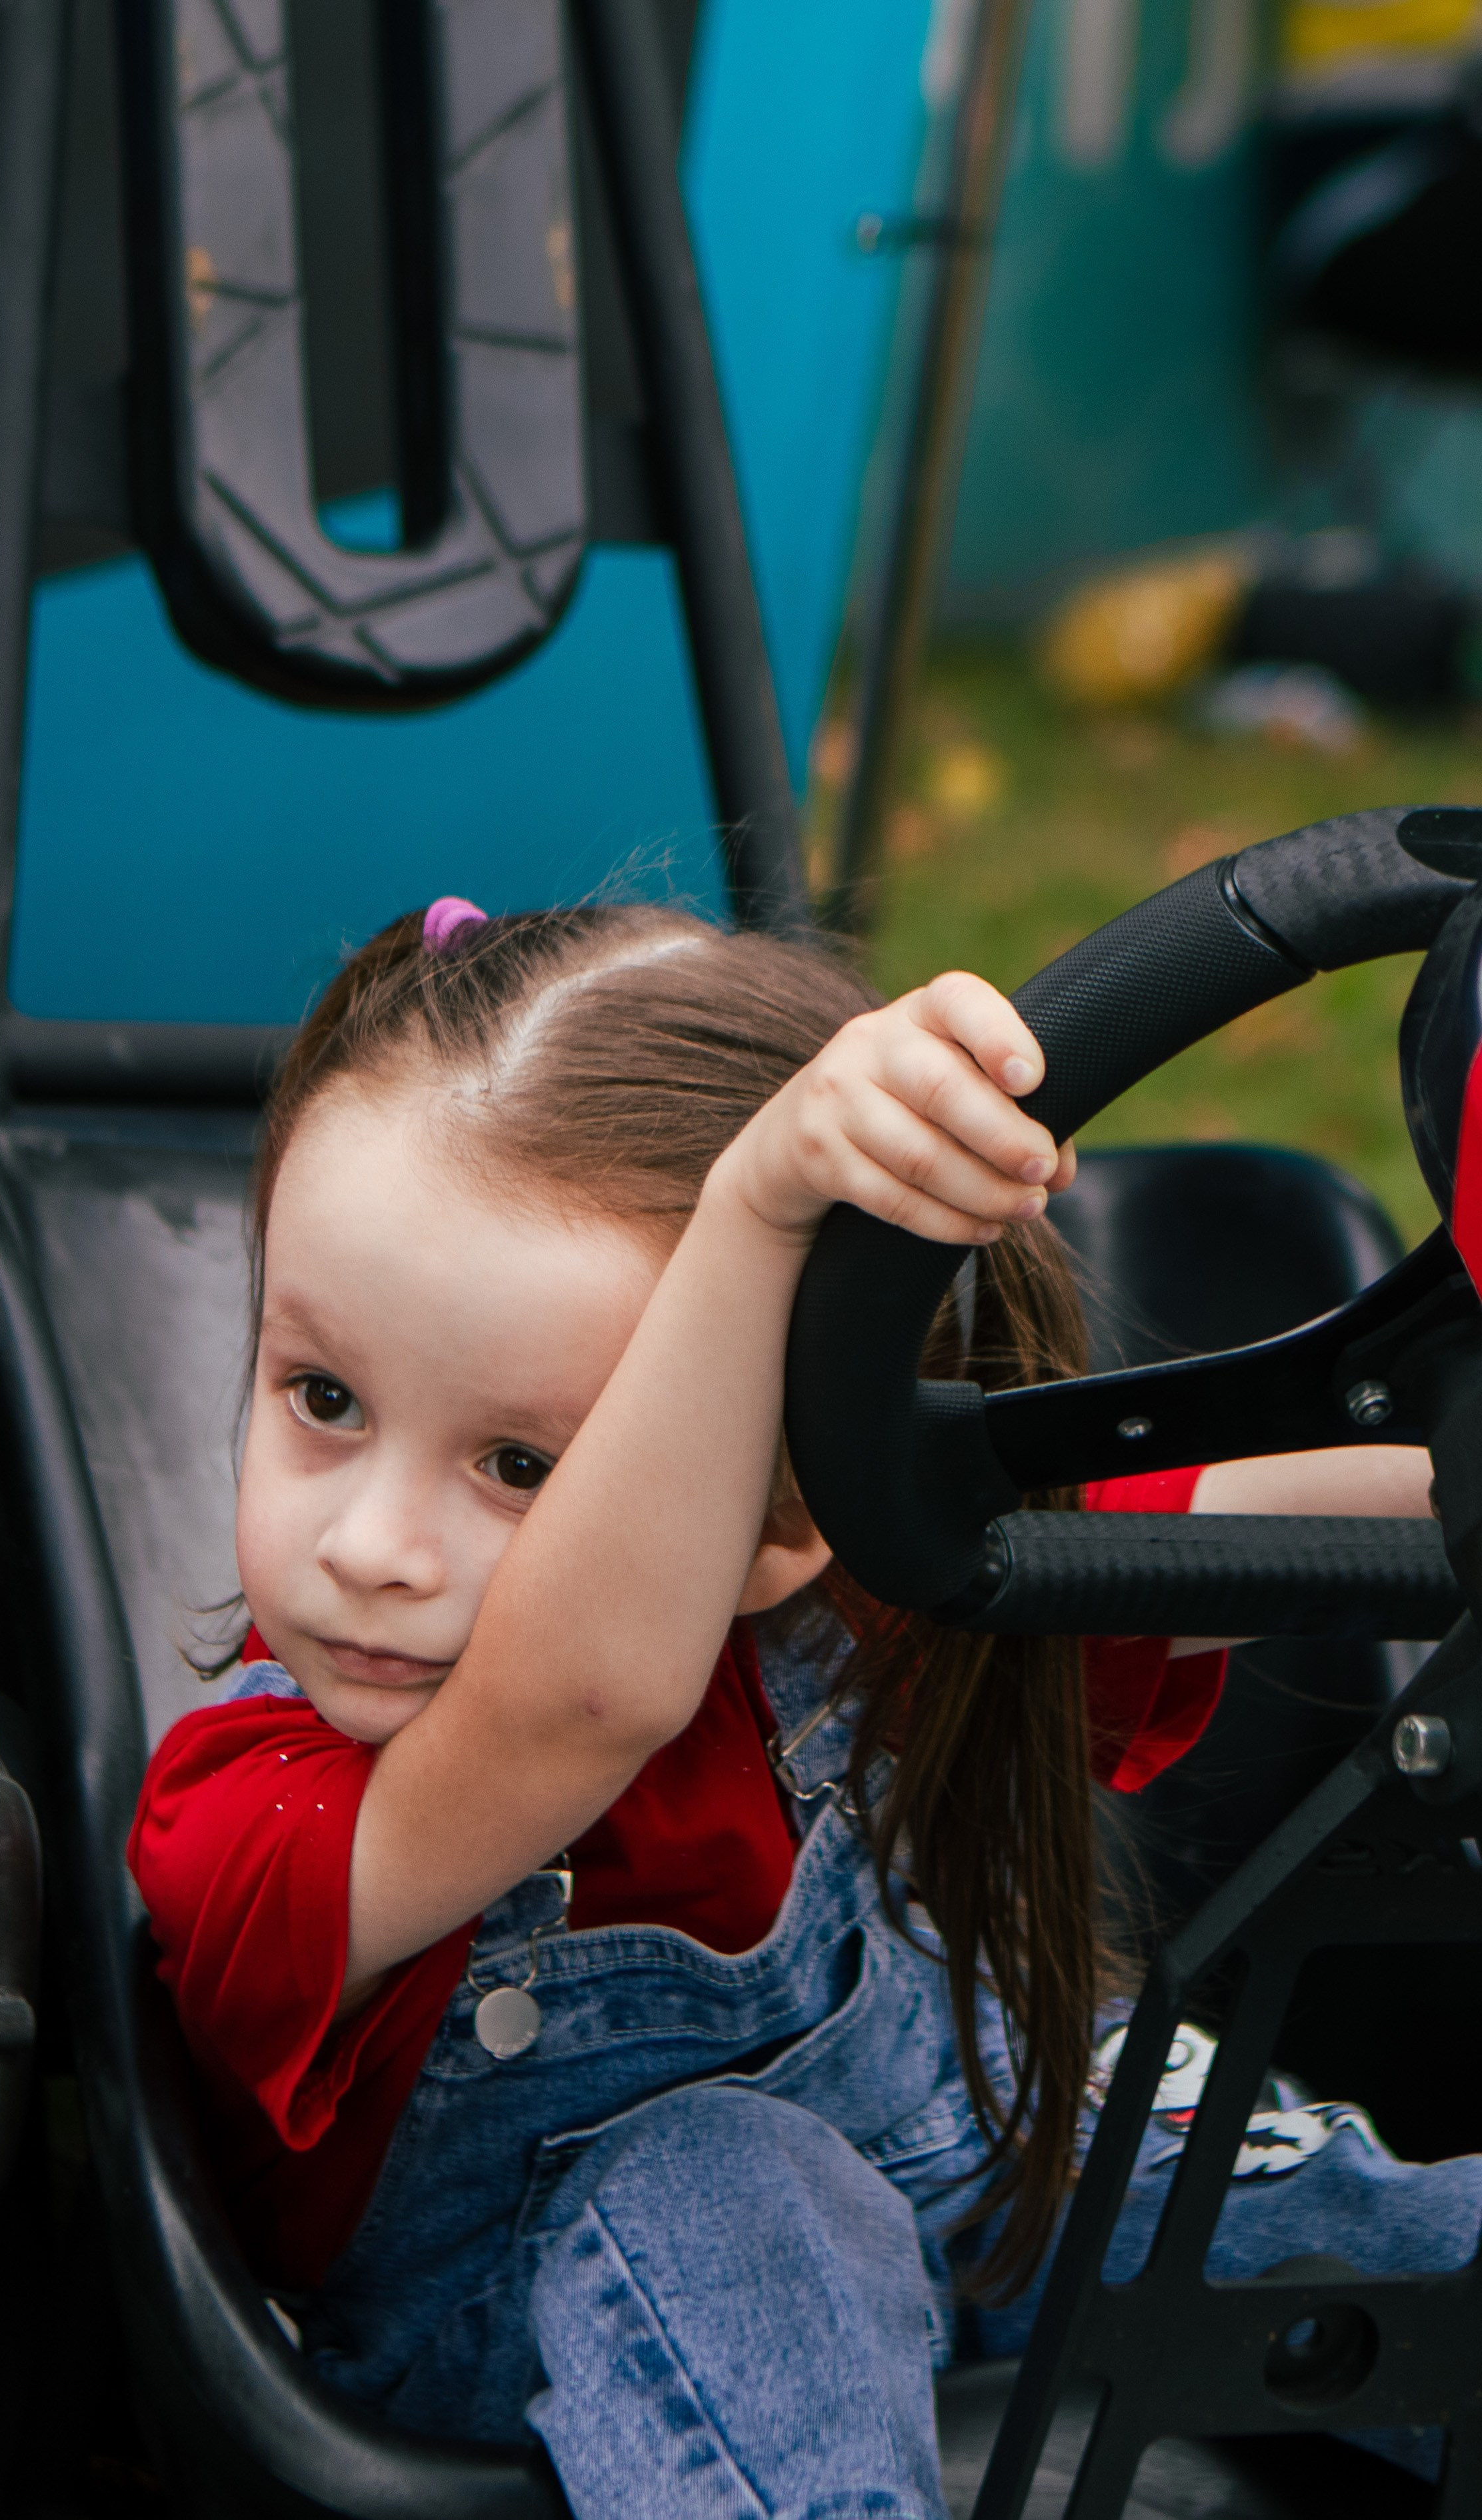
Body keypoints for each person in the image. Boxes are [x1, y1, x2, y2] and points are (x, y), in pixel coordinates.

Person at [129, 898, 1474, 2517]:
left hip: (978, 2161)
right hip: (559, 2327)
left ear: (792, 1512)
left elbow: (1272, 1527)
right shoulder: (251, 1818)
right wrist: (759, 1216)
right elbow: (585, 1699)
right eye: (324, 1398)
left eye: (521, 1465)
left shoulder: (850, 1595)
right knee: (732, 2186)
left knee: (1389, 2233)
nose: (368, 1549)